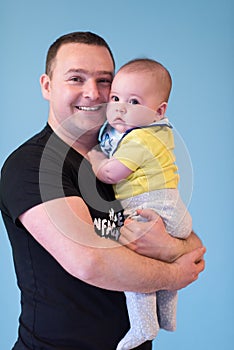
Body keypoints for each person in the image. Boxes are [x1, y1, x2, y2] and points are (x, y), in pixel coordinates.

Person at [0, 31, 205, 350]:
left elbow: (190, 243)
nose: (93, 93)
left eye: (104, 81)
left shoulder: (123, 160)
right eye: (76, 78)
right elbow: (90, 261)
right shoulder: (32, 166)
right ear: (47, 86)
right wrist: (174, 273)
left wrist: (169, 247)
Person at [88, 58, 193, 349]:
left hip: (149, 206)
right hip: (175, 210)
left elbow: (111, 173)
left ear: (159, 110)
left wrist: (95, 157)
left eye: (134, 101)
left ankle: (145, 325)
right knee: (165, 259)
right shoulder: (161, 130)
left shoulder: (139, 140)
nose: (121, 108)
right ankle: (168, 315)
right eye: (116, 98)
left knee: (137, 271)